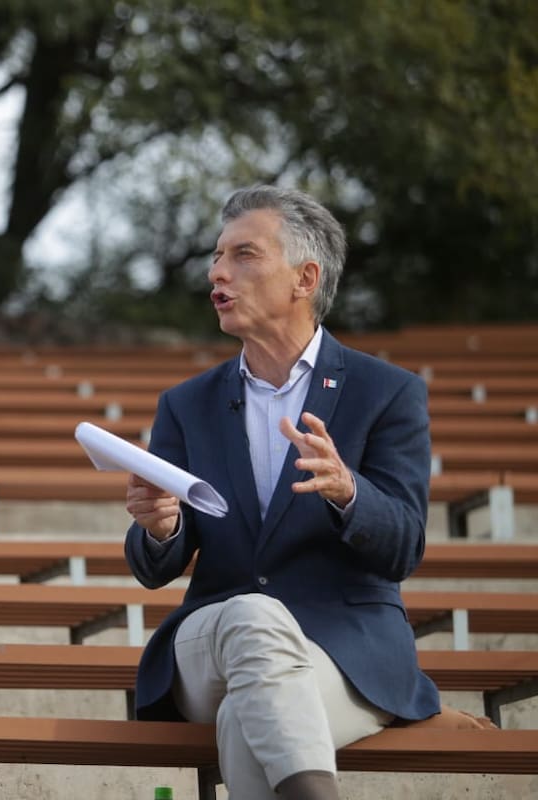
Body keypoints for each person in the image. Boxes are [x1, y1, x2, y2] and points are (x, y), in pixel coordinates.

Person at [123, 186, 440, 799]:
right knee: (252, 615)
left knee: (251, 721)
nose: (218, 271)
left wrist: (349, 490)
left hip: (348, 653)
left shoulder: (388, 393)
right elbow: (155, 565)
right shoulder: (186, 404)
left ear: (305, 278)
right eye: (217, 257)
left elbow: (404, 547)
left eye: (244, 254)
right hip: (211, 645)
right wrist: (161, 528)